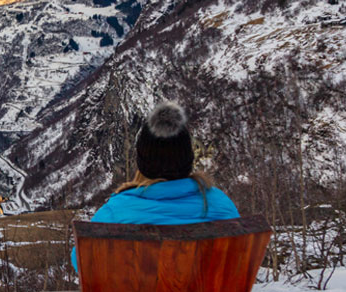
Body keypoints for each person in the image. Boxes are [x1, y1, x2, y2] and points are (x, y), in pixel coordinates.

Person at [70, 100, 240, 273]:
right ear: (188, 159)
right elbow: (238, 262)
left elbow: (81, 262)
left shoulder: (115, 213)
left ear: (142, 163)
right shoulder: (221, 206)